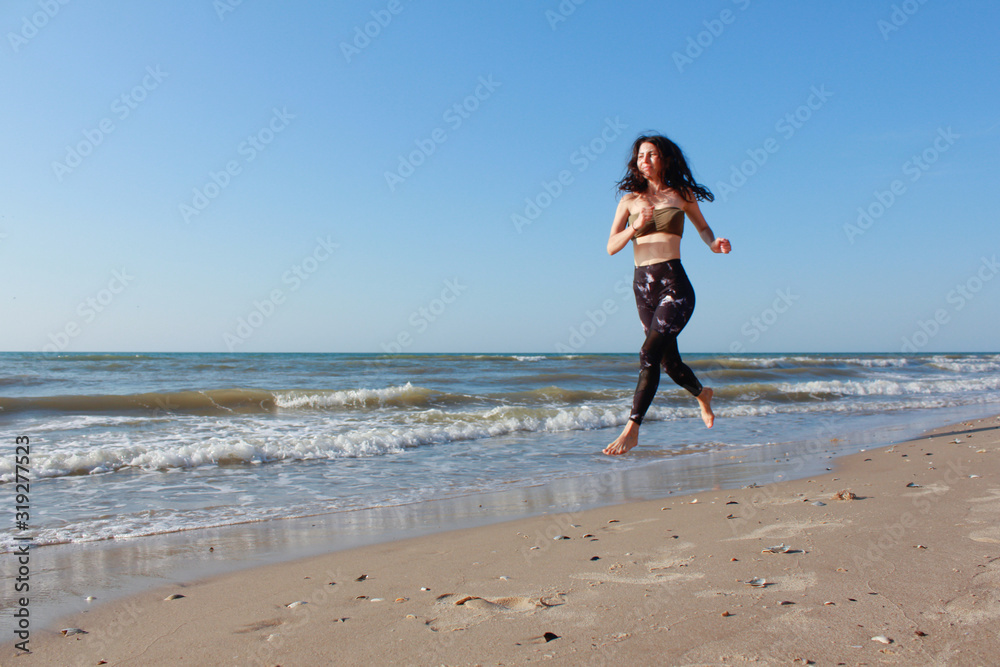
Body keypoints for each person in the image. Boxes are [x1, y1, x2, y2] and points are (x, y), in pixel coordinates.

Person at [604, 134, 731, 456]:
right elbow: (610, 247)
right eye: (641, 156)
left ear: (665, 159)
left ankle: (632, 428)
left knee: (648, 353)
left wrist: (714, 244)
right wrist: (635, 227)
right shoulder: (629, 200)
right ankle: (703, 394)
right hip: (642, 286)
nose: (645, 160)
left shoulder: (681, 194)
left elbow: (703, 228)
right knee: (669, 362)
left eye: (652, 155)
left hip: (674, 284)